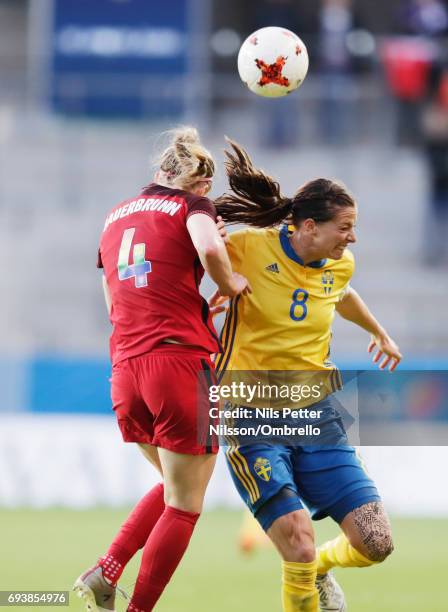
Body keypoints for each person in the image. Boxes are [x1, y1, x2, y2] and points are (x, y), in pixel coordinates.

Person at [213, 139, 402, 612]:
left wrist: (378, 331)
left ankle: (320, 568)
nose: (352, 238)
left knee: (376, 541)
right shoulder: (245, 248)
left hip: (317, 416)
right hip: (249, 414)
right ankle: (305, 570)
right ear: (310, 227)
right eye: (346, 227)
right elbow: (198, 259)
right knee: (296, 541)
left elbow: (342, 293)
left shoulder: (338, 263)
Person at [73, 127, 250, 612]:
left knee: (176, 483)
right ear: (196, 182)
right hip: (178, 365)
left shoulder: (113, 219)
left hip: (127, 368)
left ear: (159, 171)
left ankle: (107, 570)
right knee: (186, 503)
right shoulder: (193, 207)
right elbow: (210, 250)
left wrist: (189, 309)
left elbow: (116, 297)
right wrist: (230, 284)